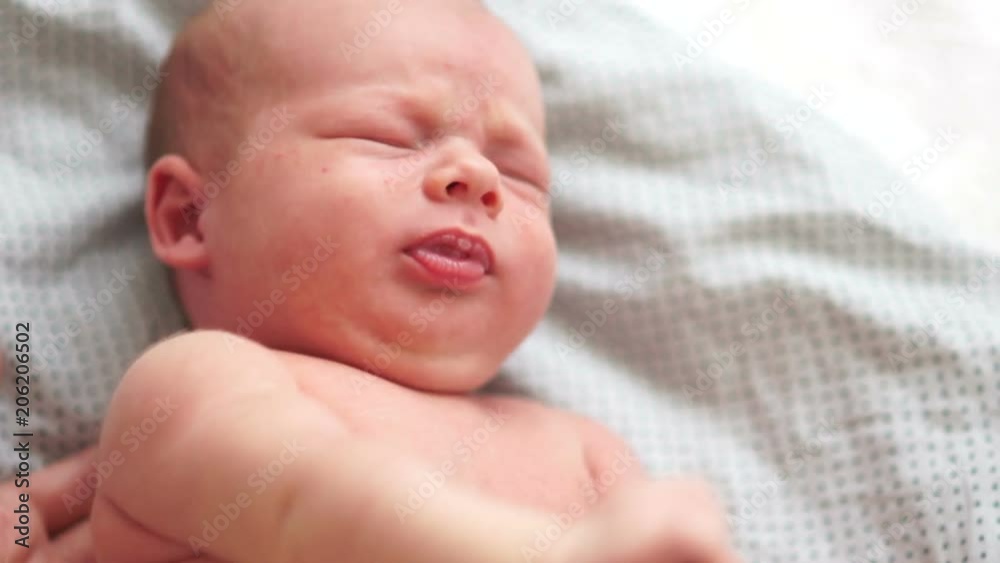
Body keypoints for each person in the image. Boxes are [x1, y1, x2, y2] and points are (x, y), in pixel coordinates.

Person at [5, 1, 741, 561]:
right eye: (388, 136)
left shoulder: (588, 454)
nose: (478, 177)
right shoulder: (198, 387)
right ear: (193, 215)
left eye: (520, 173)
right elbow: (297, 500)